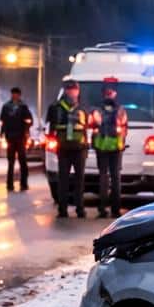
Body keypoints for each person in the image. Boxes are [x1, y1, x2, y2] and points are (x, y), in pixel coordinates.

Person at [47, 79, 89, 218]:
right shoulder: (55, 107)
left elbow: (86, 128)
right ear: (65, 91)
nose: (73, 91)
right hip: (63, 148)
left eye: (75, 89)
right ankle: (62, 209)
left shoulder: (83, 108)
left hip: (79, 148)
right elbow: (50, 129)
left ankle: (80, 209)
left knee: (79, 180)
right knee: (63, 180)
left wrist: (86, 146)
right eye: (70, 89)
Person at [91, 77, 128, 219]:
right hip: (116, 148)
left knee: (103, 178)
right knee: (115, 178)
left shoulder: (97, 110)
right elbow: (125, 127)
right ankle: (115, 209)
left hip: (101, 147)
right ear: (114, 95)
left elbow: (92, 125)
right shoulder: (121, 110)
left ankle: (102, 208)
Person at [0, 87, 34, 192]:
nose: (14, 96)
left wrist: (26, 128)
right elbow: (3, 121)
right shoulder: (6, 107)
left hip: (20, 137)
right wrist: (2, 132)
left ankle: (23, 183)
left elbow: (30, 120)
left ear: (19, 95)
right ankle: (10, 184)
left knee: (22, 161)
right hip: (11, 137)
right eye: (13, 94)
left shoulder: (23, 107)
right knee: (11, 162)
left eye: (16, 94)